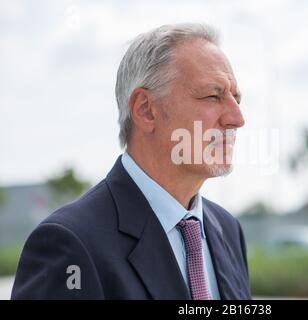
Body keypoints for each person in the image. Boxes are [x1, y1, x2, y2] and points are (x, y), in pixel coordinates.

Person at [11, 23, 251, 300]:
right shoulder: (68, 244)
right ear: (146, 110)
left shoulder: (227, 229)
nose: (237, 119)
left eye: (236, 98)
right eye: (213, 96)